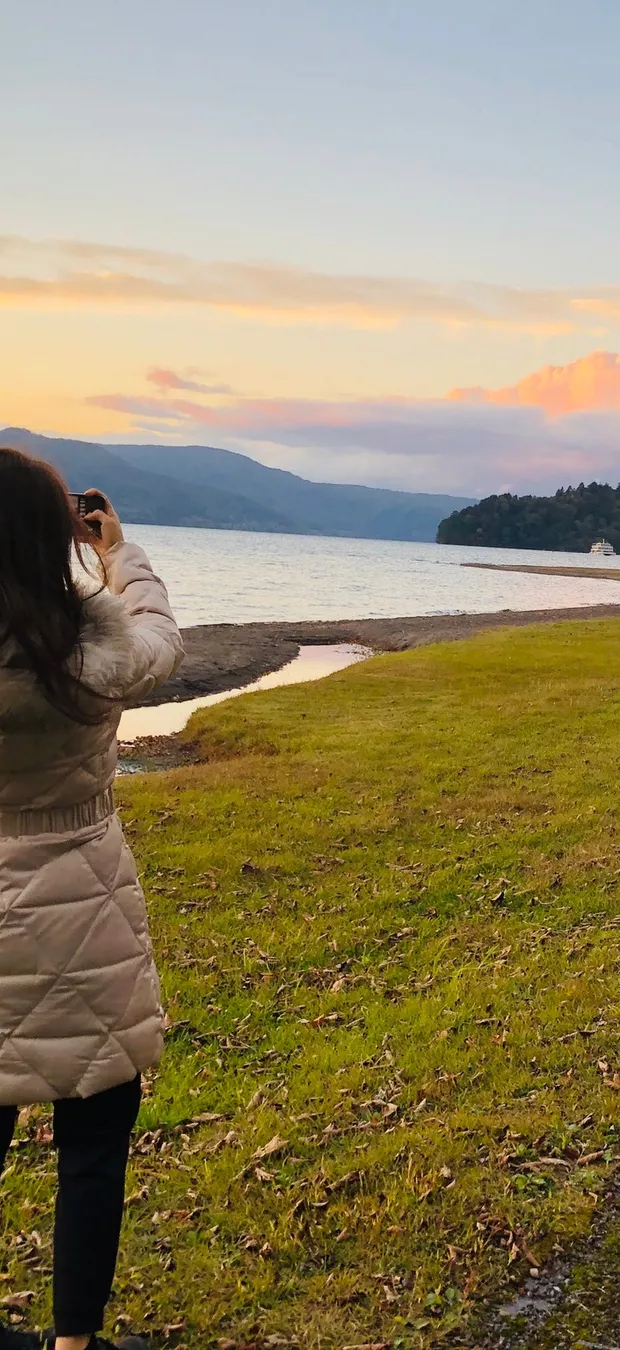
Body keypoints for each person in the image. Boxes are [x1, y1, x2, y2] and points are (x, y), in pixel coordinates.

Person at [0, 449, 184, 1350]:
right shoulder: (86, 643)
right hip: (81, 898)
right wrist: (120, 551)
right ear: (55, 531)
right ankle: (75, 1342)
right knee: (96, 1134)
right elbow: (156, 641)